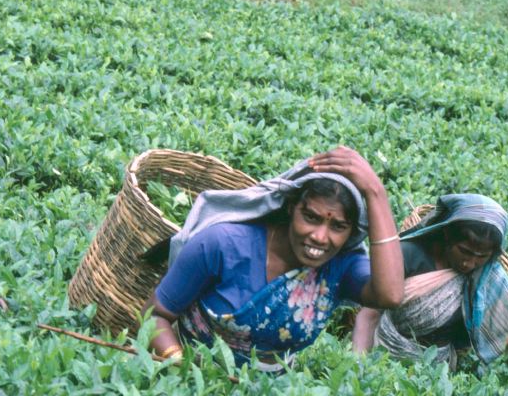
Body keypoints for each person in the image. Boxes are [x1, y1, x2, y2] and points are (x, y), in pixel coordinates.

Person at [144, 147, 404, 372]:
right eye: (311, 217)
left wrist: (376, 193)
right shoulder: (223, 244)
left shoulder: (339, 267)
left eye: (338, 226)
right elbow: (155, 315)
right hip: (196, 379)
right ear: (291, 208)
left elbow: (390, 295)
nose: (320, 237)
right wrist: (181, 367)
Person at [352, 194, 508, 368]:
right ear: (447, 234)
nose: (470, 263)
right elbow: (369, 314)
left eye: (481, 256)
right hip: (382, 347)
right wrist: (359, 364)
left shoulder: (488, 278)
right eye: (464, 251)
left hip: (435, 370)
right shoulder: (409, 254)